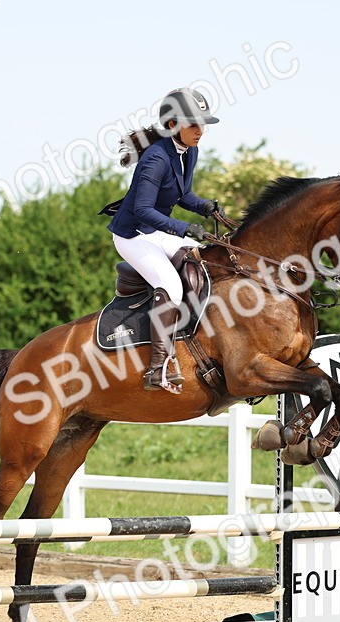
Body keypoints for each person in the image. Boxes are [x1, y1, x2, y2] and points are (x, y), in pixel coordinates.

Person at [104, 87, 224, 393]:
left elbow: (183, 195)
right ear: (173, 125)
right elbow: (143, 211)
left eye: (202, 125)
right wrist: (184, 228)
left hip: (156, 231)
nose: (201, 132)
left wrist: (204, 206)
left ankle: (194, 338)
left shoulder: (189, 151)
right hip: (133, 235)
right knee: (170, 285)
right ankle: (157, 368)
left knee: (205, 261)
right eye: (194, 125)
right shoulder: (156, 159)